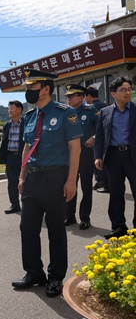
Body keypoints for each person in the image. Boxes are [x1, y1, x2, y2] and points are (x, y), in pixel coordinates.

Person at [12, 69, 82, 298]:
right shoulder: (30, 117)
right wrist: (22, 176)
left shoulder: (65, 113)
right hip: (32, 177)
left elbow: (75, 148)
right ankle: (34, 273)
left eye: (31, 87)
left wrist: (71, 180)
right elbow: (26, 147)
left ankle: (56, 276)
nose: (27, 91)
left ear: (45, 89)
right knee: (27, 227)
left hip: (56, 177)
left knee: (55, 229)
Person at [94, 76, 136, 239]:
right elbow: (100, 136)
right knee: (116, 193)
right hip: (113, 157)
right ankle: (118, 226)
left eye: (129, 89)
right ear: (113, 94)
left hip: (132, 155)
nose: (128, 92)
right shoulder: (105, 112)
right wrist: (98, 156)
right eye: (123, 90)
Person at [64, 84, 99, 230]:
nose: (68, 99)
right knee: (69, 184)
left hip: (85, 153)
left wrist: (94, 137)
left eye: (72, 96)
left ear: (81, 97)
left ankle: (85, 218)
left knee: (86, 186)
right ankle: (69, 216)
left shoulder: (91, 111)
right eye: (67, 96)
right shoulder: (65, 112)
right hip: (69, 153)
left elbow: (102, 128)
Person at [0, 100, 24, 214]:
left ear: (19, 109)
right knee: (12, 182)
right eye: (8, 108)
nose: (9, 110)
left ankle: (28, 205)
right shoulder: (7, 125)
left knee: (26, 182)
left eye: (12, 108)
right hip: (10, 157)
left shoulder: (26, 123)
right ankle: (14, 205)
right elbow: (4, 141)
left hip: (23, 156)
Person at [86, 86, 110, 192]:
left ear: (89, 96)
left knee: (97, 160)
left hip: (94, 139)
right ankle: (105, 182)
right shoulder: (106, 106)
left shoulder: (90, 108)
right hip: (107, 138)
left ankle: (101, 181)